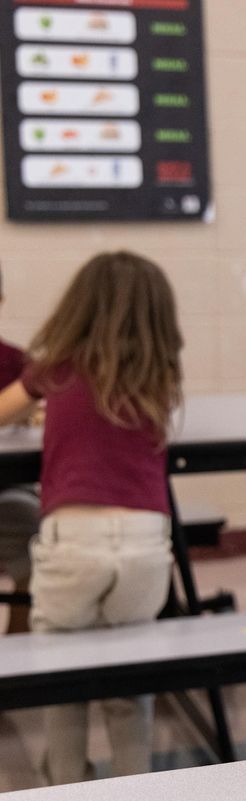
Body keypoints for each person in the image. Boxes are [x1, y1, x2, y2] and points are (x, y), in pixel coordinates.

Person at [0, 251, 183, 783]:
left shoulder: (56, 364)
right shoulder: (160, 373)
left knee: (65, 681)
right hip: (147, 543)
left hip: (72, 541)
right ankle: (135, 782)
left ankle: (65, 782)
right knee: (129, 684)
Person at [0, 261, 39, 635]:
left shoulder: (17, 362)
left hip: (9, 488)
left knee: (39, 532)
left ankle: (17, 650)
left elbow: (42, 415)